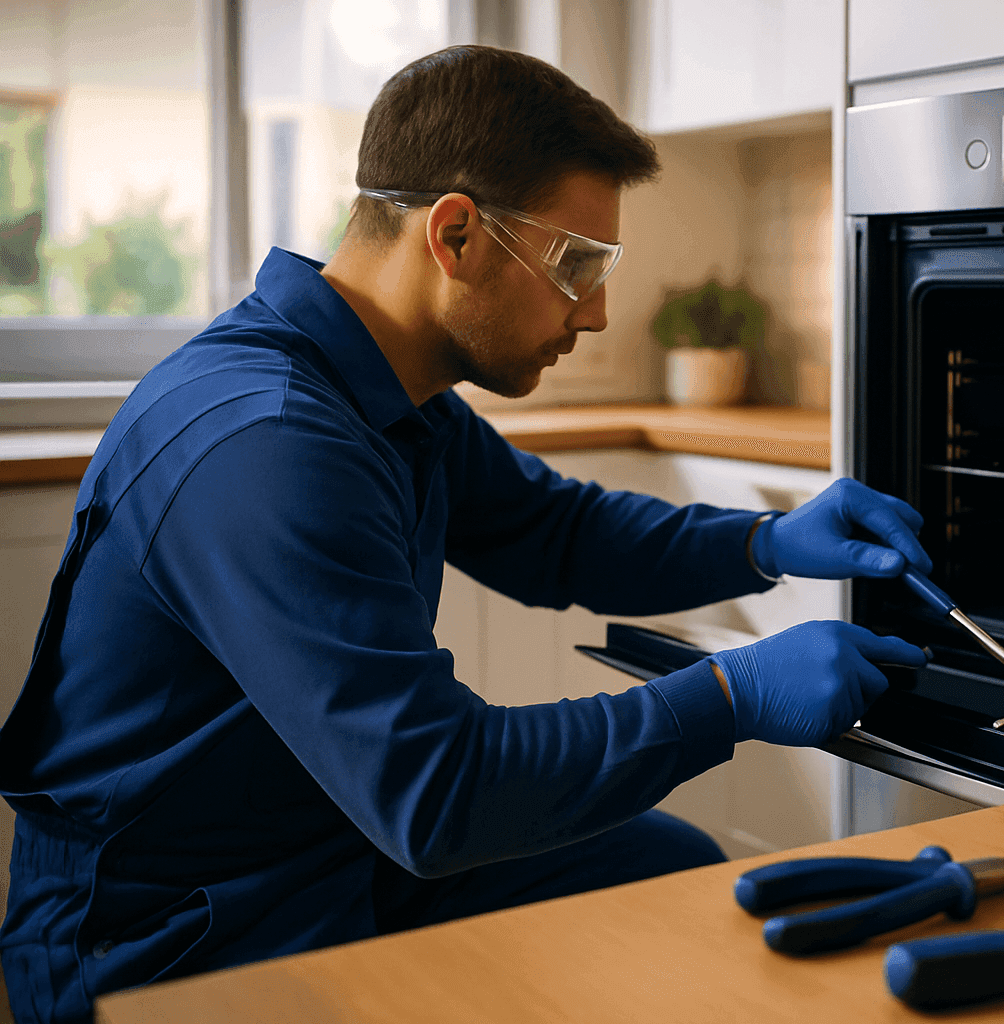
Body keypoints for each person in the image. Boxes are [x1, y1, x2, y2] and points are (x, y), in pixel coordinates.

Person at [0, 45, 932, 1024]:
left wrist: (769, 542)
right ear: (455, 234)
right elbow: (438, 793)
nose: (602, 311)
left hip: (330, 854)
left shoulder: (383, 388)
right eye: (579, 264)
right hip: (170, 938)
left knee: (673, 872)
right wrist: (728, 697)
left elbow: (553, 531)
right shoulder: (267, 440)